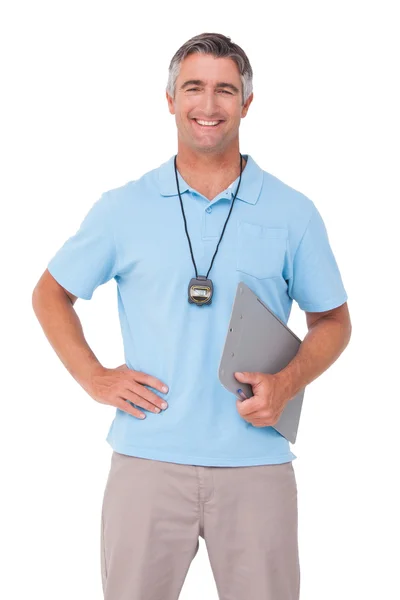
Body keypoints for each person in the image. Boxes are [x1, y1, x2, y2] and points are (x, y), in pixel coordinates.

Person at [32, 32, 352, 600]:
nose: (209, 106)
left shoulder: (292, 212)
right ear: (170, 99)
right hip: (146, 463)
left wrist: (286, 382)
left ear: (247, 103)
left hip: (257, 464)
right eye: (194, 88)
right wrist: (94, 377)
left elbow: (333, 321)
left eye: (225, 90)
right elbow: (50, 293)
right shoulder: (122, 208)